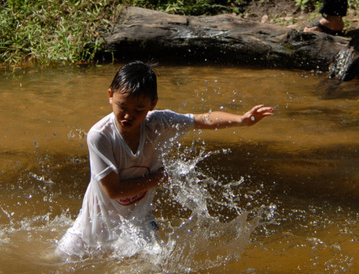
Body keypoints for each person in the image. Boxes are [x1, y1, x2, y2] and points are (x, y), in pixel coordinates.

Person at [55, 61, 273, 259]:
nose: (128, 115)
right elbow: (114, 191)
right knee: (52, 264)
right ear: (110, 96)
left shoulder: (159, 123)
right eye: (122, 106)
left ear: (152, 104)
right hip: (91, 227)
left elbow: (202, 120)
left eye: (138, 109)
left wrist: (242, 120)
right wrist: (159, 178)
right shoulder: (100, 136)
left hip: (137, 226)